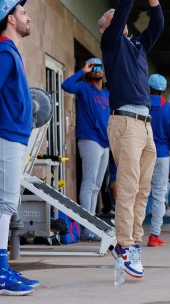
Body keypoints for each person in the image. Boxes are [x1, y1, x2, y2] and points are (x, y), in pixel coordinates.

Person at [100, 0, 163, 279]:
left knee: (142, 189)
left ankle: (132, 242)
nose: (120, 18)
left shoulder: (137, 46)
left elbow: (159, 25)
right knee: (127, 188)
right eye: (113, 16)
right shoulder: (110, 44)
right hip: (125, 122)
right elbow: (123, 8)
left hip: (146, 126)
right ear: (106, 27)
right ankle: (124, 244)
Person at [0, 0, 39, 295]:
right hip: (2, 138)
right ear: (10, 19)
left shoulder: (8, 51)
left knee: (6, 205)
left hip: (10, 138)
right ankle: (0, 275)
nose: (28, 17)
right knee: (3, 205)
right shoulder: (3, 52)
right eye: (23, 12)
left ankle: (2, 270)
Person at [61, 57, 110, 242]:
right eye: (93, 66)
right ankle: (86, 227)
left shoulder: (107, 94)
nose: (97, 69)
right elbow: (66, 85)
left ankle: (91, 223)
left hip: (105, 142)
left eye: (99, 66)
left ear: (103, 72)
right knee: (89, 183)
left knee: (97, 185)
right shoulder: (83, 87)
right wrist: (83, 70)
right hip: (90, 139)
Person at [147, 74, 170, 247]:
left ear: (149, 87)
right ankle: (154, 235)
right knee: (159, 195)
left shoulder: (140, 107)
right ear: (163, 90)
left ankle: (132, 234)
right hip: (161, 155)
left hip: (142, 154)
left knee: (138, 193)